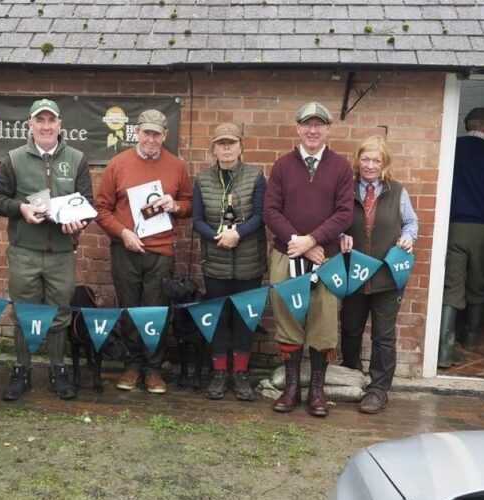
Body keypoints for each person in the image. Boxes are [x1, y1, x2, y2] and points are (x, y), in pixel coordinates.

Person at [0, 98, 92, 401]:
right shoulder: (14, 158)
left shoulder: (77, 159)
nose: (46, 126)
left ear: (60, 125)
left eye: (51, 121)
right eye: (40, 121)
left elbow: (88, 202)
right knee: (24, 313)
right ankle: (22, 371)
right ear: (30, 125)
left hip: (61, 253)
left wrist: (79, 223)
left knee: (59, 314)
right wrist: (21, 207)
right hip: (24, 251)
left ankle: (58, 371)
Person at [263, 101, 353, 417]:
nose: (312, 130)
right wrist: (297, 243)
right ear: (298, 128)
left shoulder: (341, 167)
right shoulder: (282, 166)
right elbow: (270, 210)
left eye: (319, 124)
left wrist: (313, 241)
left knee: (323, 322)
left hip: (324, 260)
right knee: (288, 319)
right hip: (286, 256)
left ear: (327, 129)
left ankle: (316, 391)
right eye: (306, 124)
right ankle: (291, 388)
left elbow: (344, 212)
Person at [95, 109, 193, 394]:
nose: (151, 139)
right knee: (128, 308)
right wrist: (122, 232)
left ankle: (153, 368)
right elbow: (101, 209)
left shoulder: (177, 167)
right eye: (146, 133)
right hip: (126, 249)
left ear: (165, 136)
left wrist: (175, 206)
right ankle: (132, 365)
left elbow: (188, 204)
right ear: (136, 133)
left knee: (156, 311)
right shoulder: (118, 164)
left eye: (157, 134)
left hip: (161, 251)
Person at [339, 136, 418, 414]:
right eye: (365, 159)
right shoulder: (345, 189)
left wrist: (409, 237)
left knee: (383, 338)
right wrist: (340, 236)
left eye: (376, 160)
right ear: (357, 161)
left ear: (385, 165)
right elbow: (336, 220)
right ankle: (351, 380)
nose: (370, 165)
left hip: (387, 277)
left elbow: (410, 222)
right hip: (353, 274)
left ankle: (378, 390)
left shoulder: (397, 191)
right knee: (350, 331)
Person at [192, 123, 267, 401]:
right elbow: (197, 219)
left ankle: (241, 374)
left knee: (245, 320)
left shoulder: (256, 176)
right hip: (216, 264)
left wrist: (238, 234)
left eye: (231, 143)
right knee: (219, 320)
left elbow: (261, 215)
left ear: (240, 147)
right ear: (213, 148)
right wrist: (216, 238)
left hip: (249, 263)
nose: (226, 148)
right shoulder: (202, 179)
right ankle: (220, 373)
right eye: (221, 143)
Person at [439, 107, 484, 368]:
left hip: (450, 226)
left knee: (452, 285)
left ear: (467, 124)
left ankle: (443, 348)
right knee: (479, 282)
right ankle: (471, 338)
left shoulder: (451, 149)